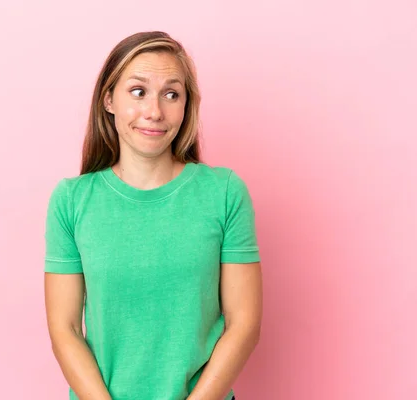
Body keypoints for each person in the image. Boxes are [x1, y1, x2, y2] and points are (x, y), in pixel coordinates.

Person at [44, 31, 262, 400]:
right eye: (139, 91)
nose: (155, 111)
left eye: (171, 94)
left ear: (186, 106)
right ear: (109, 99)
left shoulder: (224, 193)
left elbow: (244, 325)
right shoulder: (71, 200)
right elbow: (64, 329)